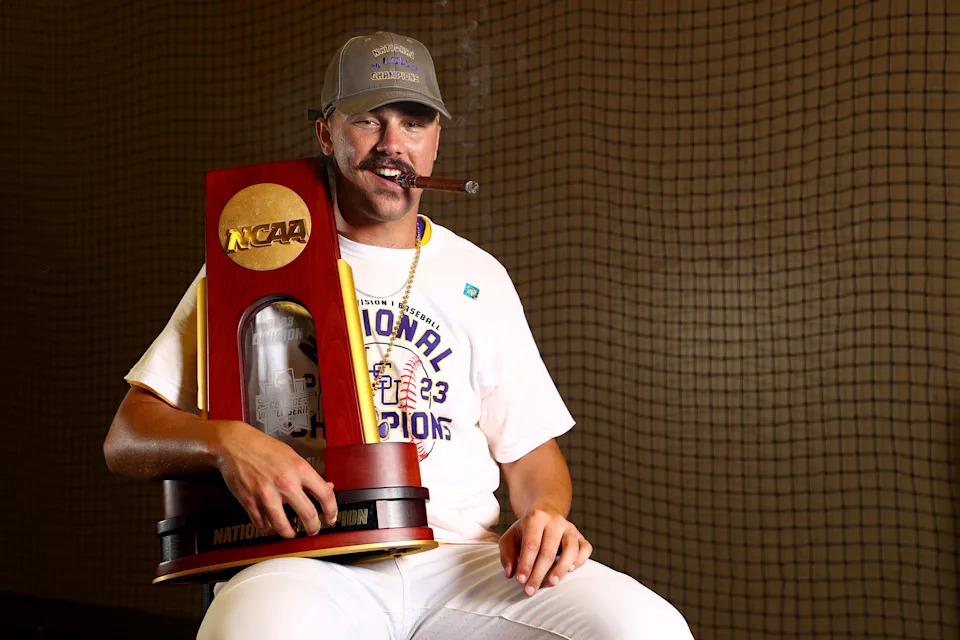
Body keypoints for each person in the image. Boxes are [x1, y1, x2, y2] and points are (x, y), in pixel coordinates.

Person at [104, 31, 694, 639]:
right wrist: (227, 442)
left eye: (413, 123)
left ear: (435, 142)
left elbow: (531, 454)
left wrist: (544, 515)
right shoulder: (257, 256)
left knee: (648, 628)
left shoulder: (479, 275)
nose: (393, 146)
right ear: (326, 134)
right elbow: (126, 437)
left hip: (462, 559)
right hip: (309, 558)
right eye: (368, 121)